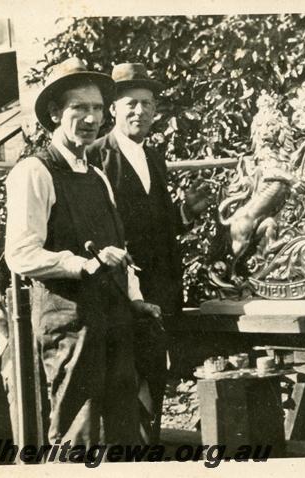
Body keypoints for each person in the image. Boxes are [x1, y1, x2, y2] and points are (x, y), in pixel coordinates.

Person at [5, 57, 160, 450]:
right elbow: (21, 254)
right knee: (81, 439)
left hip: (115, 324)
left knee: (124, 437)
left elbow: (119, 251)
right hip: (71, 329)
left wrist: (136, 300)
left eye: (96, 108)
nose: (91, 118)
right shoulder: (34, 172)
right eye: (79, 108)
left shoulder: (98, 176)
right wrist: (82, 264)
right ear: (56, 112)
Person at [86, 63, 210, 444]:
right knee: (124, 381)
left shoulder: (155, 158)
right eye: (131, 104)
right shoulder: (96, 155)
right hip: (121, 291)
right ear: (113, 110)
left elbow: (157, 223)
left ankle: (150, 448)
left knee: (156, 374)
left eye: (147, 104)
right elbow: (95, 227)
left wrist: (186, 212)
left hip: (161, 288)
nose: (140, 112)